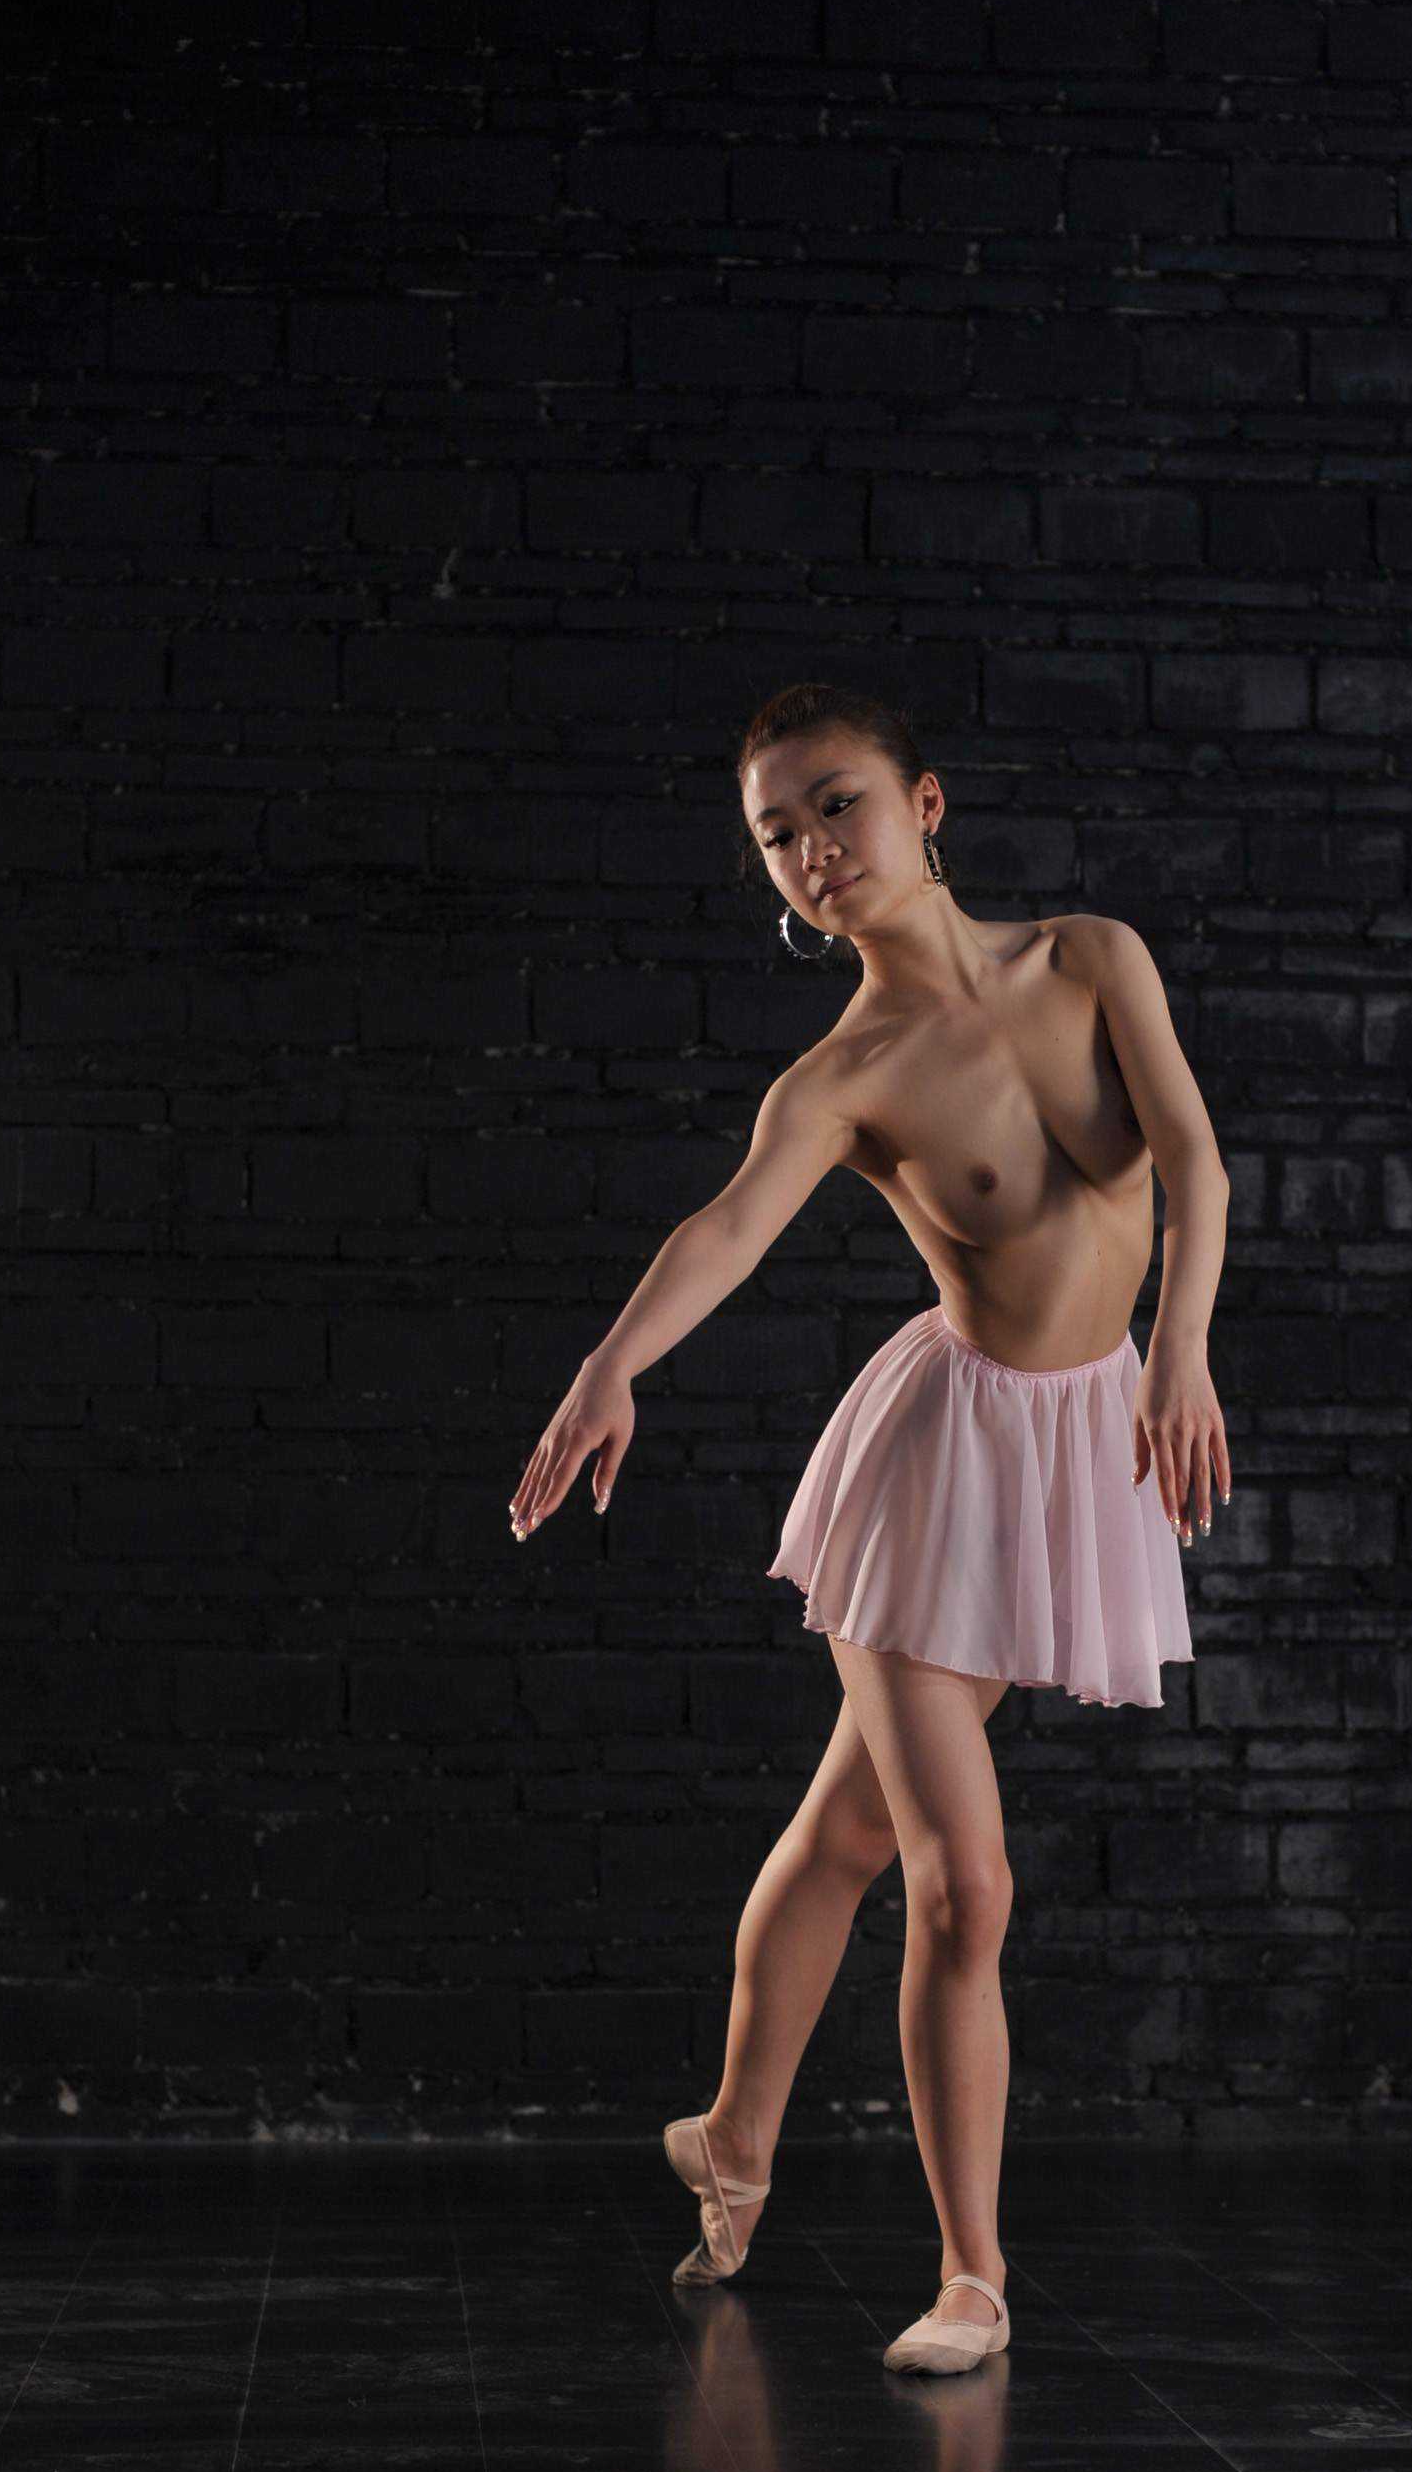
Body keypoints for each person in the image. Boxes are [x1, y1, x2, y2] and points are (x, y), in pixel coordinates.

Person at [507, 682, 1231, 2373]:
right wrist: (612, 1364)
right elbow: (725, 1227)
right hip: (937, 1472)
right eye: (777, 835)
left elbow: (1194, 1159)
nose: (813, 850)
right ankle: (974, 2275)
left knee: (845, 1832)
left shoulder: (1092, 958)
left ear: (925, 803)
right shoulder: (841, 1076)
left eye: (835, 805)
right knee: (961, 1883)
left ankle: (729, 2136)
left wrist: (1182, 1345)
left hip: (1084, 1441)